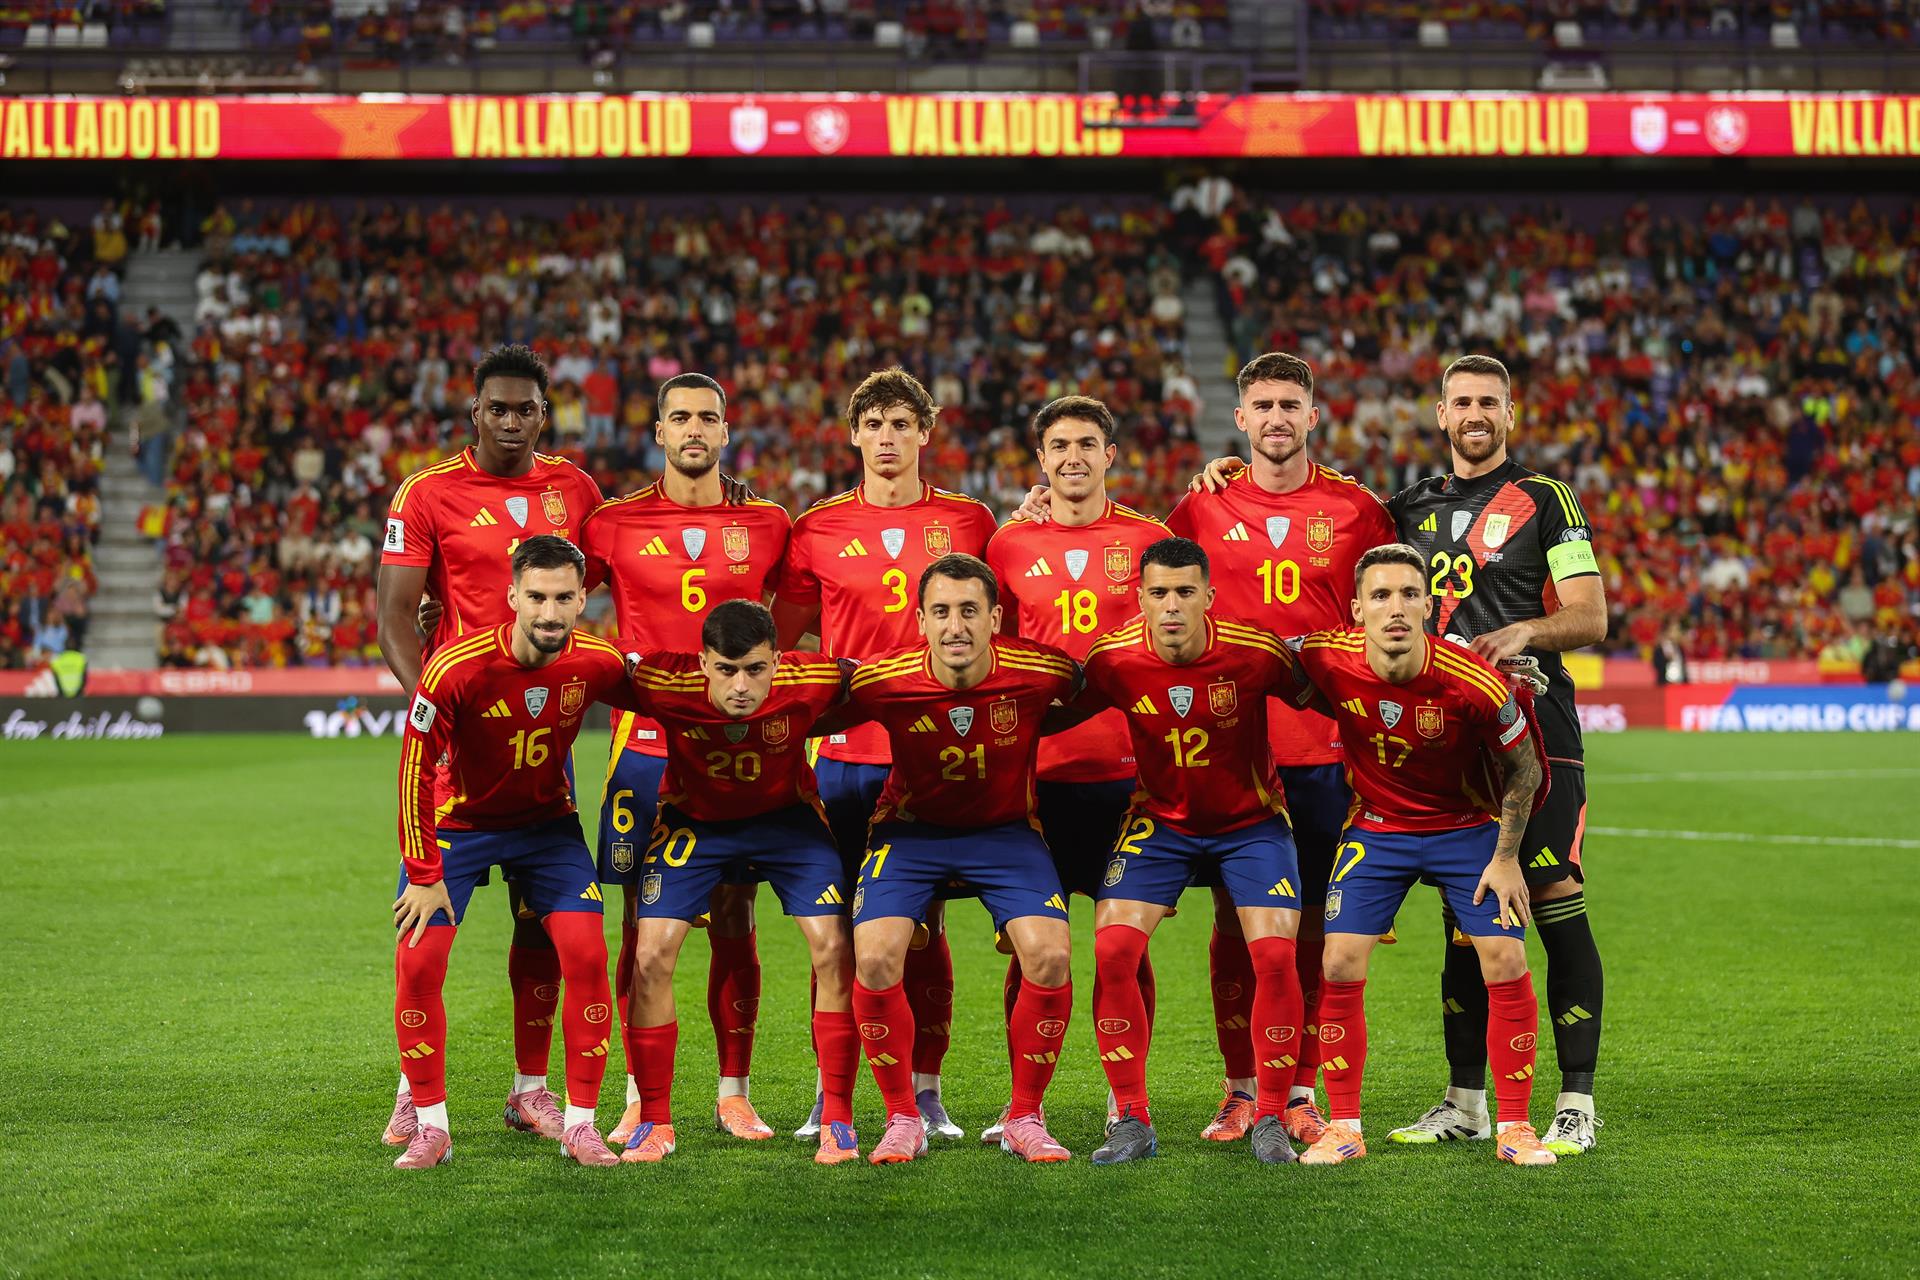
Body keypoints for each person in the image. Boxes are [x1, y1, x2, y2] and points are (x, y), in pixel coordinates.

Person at [1163, 352, 1396, 1146]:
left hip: (1327, 752)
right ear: (1240, 418)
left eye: (1290, 404)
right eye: (1261, 405)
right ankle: (1239, 1089)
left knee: (1315, 934)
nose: (1276, 418)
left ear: (1313, 414)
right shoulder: (1200, 506)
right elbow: (1163, 596)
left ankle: (1298, 1090)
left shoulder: (1359, 510)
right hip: (1229, 752)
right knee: (1235, 924)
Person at [376, 344, 606, 1149]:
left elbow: (604, 576)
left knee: (544, 929)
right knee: (426, 933)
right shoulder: (428, 493)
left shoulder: (573, 489)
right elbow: (395, 618)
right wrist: (441, 714)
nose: (512, 421)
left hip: (541, 744)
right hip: (455, 749)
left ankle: (531, 1093)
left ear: (545, 414)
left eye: (527, 409)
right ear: (474, 412)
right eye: (497, 408)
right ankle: (414, 1092)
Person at [1385, 355, 1609, 1156]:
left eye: (1489, 401)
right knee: (1464, 916)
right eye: (1461, 402)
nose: (1474, 413)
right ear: (1440, 416)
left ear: (1510, 415)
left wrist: (1528, 630)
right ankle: (1465, 1101)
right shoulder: (1404, 508)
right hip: (1449, 742)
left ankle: (1576, 1101)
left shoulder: (1545, 501)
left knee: (1550, 897)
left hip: (1538, 730)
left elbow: (1590, 615)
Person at [771, 368, 998, 1140]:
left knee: (924, 929)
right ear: (855, 434)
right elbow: (787, 630)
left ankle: (925, 1093)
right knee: (833, 934)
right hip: (844, 759)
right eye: (876, 424)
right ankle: (829, 1093)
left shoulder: (970, 521)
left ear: (925, 433)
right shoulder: (819, 527)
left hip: (933, 758)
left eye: (904, 424)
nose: (889, 438)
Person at [1290, 543, 1557, 1167]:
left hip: (1464, 828)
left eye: (1410, 595)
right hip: (1376, 828)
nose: (1395, 609)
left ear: (1429, 606)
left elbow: (1524, 768)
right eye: (1380, 596)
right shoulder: (1327, 657)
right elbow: (1270, 664)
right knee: (1338, 962)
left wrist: (1507, 855)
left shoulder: (1474, 681)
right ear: (1357, 610)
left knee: (1505, 955)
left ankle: (1515, 1126)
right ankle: (1345, 1126)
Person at [581, 372, 792, 1146]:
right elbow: (558, 597)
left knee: (736, 915)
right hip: (642, 749)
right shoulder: (611, 523)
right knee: (641, 923)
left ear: (726, 432)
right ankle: (641, 1093)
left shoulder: (768, 523)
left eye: (708, 416)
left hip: (735, 752)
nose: (694, 428)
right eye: (680, 417)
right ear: (660, 434)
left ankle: (734, 1091)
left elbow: (797, 618)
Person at [388, 535, 637, 1169]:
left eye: (562, 599)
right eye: (536, 598)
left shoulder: (597, 662)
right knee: (419, 964)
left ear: (583, 598)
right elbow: (414, 766)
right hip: (456, 828)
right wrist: (422, 874)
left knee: (585, 953)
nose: (549, 614)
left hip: (546, 829)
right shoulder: (456, 667)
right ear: (511, 597)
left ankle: (579, 1123)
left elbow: (667, 693)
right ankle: (430, 1122)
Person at [1076, 537, 1316, 1165]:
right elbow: (1050, 709)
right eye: (1159, 593)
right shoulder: (1113, 658)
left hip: (1251, 823)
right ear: (1141, 599)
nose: (1173, 605)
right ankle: (1130, 1117)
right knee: (1113, 946)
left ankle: (1268, 1113)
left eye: (1186, 592)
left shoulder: (1255, 651)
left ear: (1210, 596)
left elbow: (1319, 691)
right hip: (1160, 822)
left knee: (1271, 951)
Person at [839, 555, 1078, 1164]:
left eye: (970, 611)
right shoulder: (883, 678)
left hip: (1005, 833)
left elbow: (1102, 686)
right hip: (910, 833)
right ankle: (902, 1116)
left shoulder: (1040, 670)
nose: (956, 626)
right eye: (941, 612)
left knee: (1049, 955)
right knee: (872, 956)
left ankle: (1025, 1114)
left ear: (995, 617)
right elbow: (810, 702)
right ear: (920, 620)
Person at [979, 394, 1168, 1143]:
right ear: (1041, 458)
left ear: (1110, 454)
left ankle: (1129, 1097)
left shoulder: (1151, 537)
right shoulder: (1008, 544)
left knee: (1126, 947)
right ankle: (1024, 1103)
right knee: (1034, 950)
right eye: (1059, 445)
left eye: (1087, 443)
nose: (1073, 458)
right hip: (1039, 779)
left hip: (1131, 775)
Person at [618, 601, 861, 1165]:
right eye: (726, 671)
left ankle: (839, 1120)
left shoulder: (814, 675)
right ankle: (654, 1119)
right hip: (693, 823)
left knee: (833, 944)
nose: (742, 686)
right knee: (651, 955)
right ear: (703, 663)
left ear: (778, 659)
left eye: (755, 668)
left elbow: (880, 679)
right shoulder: (662, 678)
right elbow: (589, 668)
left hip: (787, 821)